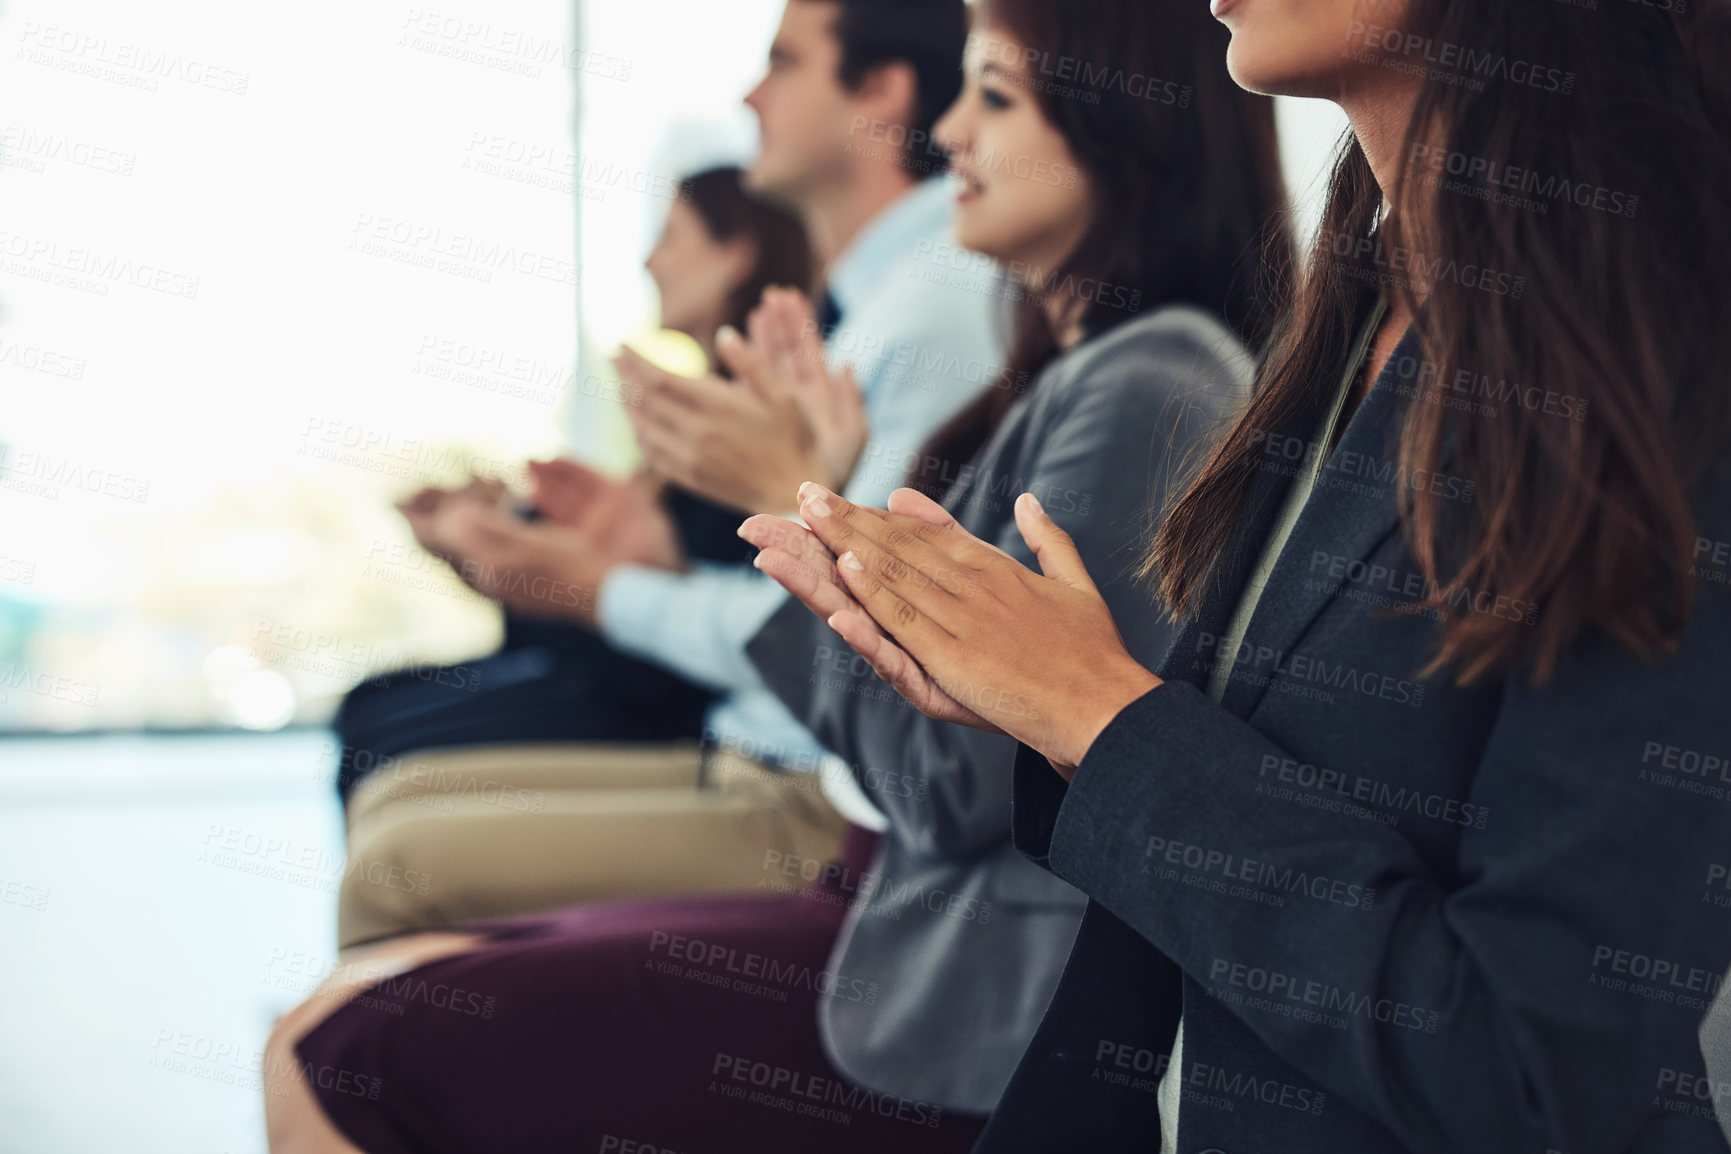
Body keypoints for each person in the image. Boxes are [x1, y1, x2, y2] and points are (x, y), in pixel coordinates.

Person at [261, 0, 1290, 1148]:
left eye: (994, 95)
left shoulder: (1150, 378)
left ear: (1124, 126)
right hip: (886, 901)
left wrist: (796, 506)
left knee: (336, 1050)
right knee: (354, 999)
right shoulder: (1078, 370)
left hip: (939, 969)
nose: (950, 133)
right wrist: (791, 510)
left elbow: (952, 784)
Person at [775, 1, 1731, 1151]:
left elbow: (1542, 1069)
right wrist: (1055, 704)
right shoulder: (1361, 314)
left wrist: (1102, 712)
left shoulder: (1662, 365)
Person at [327, 0, 1003, 944]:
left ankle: (371, 1061)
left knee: (395, 854)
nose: (750, 94)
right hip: (764, 749)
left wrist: (604, 586)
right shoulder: (883, 308)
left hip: (812, 793)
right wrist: (641, 558)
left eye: (784, 61)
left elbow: (853, 640)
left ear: (881, 93)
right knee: (393, 792)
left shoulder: (927, 315)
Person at [330, 164, 811, 800]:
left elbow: (713, 620)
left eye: (671, 236)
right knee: (369, 707)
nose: (648, 262)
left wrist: (530, 557)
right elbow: (637, 578)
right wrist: (495, 545)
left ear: (736, 255)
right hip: (629, 671)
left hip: (668, 703)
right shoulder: (695, 424)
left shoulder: (745, 430)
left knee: (380, 740)